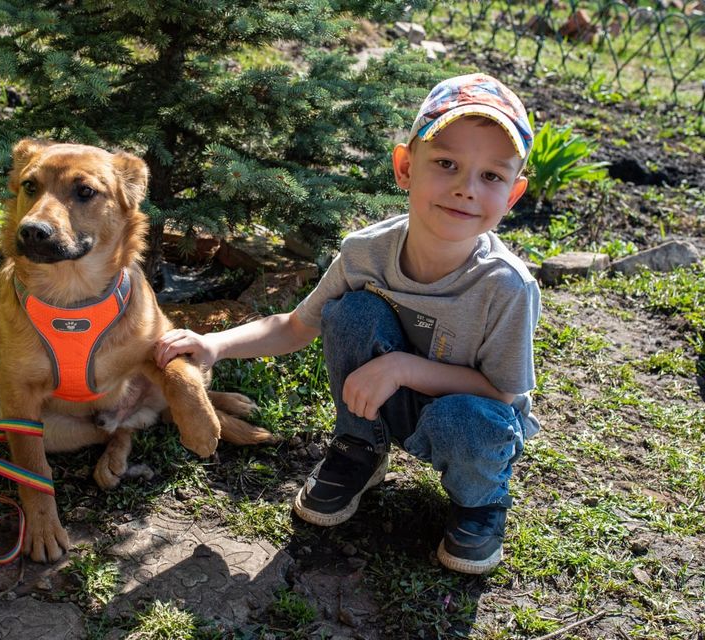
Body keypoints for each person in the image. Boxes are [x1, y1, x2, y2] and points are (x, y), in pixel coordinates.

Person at [154, 73, 541, 575]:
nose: (466, 189)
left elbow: (503, 394)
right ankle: (360, 449)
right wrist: (213, 344)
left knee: (464, 422)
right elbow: (297, 326)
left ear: (513, 195)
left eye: (492, 176)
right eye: (446, 163)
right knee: (351, 312)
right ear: (405, 167)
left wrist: (402, 367)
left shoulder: (506, 286)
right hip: (381, 397)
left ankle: (480, 502)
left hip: (473, 418)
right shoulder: (366, 252)